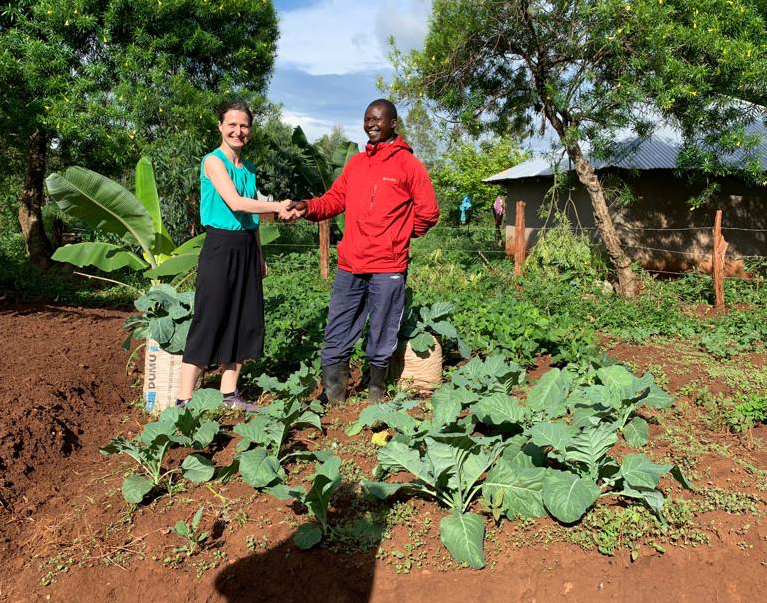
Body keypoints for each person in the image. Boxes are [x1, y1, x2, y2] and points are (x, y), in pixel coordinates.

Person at [285, 99, 440, 404]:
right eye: (367, 119)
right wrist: (308, 207)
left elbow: (429, 211)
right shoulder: (355, 164)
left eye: (377, 119)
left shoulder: (408, 164)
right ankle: (334, 394)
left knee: (382, 328)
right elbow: (333, 199)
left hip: (388, 265)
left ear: (393, 123)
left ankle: (376, 391)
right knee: (338, 325)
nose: (371, 124)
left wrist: (398, 237)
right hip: (351, 263)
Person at [176, 101, 294, 410]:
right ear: (220, 126)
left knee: (244, 319)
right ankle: (183, 401)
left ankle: (230, 395)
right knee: (210, 317)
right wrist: (277, 206)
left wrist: (259, 254)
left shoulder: (249, 168)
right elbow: (236, 202)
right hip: (220, 247)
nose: (237, 131)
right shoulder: (213, 162)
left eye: (243, 126)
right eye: (232, 124)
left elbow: (251, 219)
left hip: (245, 247)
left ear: (250, 131)